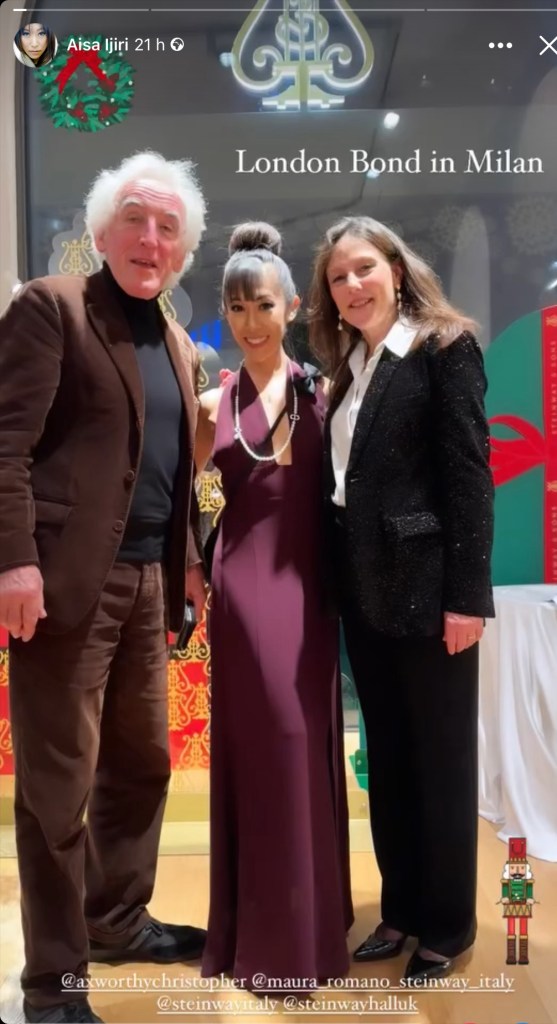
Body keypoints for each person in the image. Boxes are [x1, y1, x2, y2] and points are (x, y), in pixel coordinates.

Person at [0, 151, 208, 1024]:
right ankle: (54, 984)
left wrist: (187, 562)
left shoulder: (175, 342)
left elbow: (172, 468)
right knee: (57, 788)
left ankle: (116, 919)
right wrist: (14, 561)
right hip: (64, 586)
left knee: (142, 765)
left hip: (150, 583)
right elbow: (5, 445)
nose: (149, 239)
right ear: (100, 230)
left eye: (167, 228)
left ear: (182, 250)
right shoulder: (53, 307)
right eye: (134, 219)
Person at [307, 215, 494, 985]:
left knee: (439, 761)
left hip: (428, 594)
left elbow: (468, 477)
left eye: (363, 268)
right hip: (364, 596)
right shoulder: (349, 366)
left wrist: (465, 599)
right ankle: (401, 908)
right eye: (337, 277)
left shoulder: (444, 347)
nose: (352, 286)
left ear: (394, 267)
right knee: (385, 760)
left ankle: (446, 925)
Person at [196, 222, 353, 991]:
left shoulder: (324, 392)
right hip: (243, 585)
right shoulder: (211, 401)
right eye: (236, 308)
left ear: (291, 307)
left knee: (304, 741)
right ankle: (265, 936)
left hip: (310, 588)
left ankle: (313, 923)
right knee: (269, 743)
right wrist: (190, 568)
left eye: (262, 305)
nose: (249, 322)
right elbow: (181, 494)